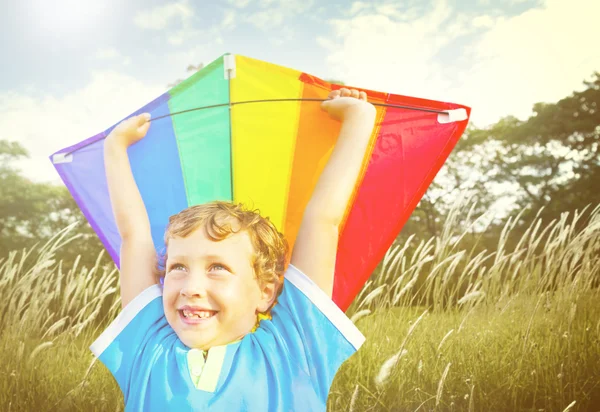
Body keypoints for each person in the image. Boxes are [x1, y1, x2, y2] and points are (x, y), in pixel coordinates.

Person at [91, 88, 377, 411]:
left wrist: (358, 120)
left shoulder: (292, 348)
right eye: (178, 267)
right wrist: (114, 148)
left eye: (217, 268)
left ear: (266, 292)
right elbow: (134, 236)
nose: (191, 288)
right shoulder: (148, 348)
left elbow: (322, 221)